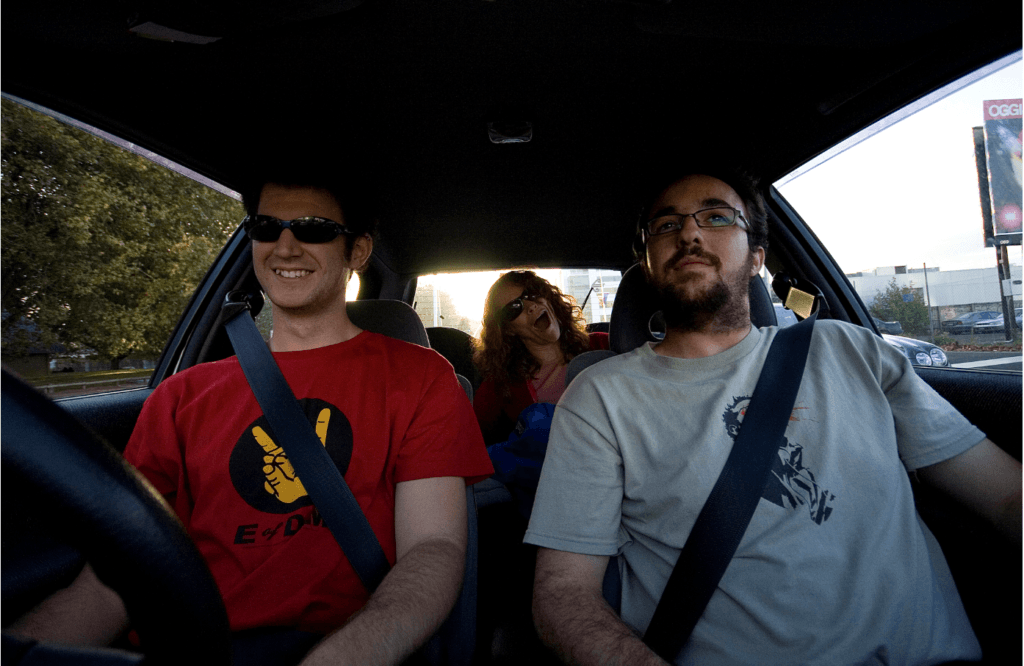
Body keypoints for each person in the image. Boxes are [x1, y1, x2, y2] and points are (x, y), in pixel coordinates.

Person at [525, 167, 1022, 665]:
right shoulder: (600, 396)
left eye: (717, 216)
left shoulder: (848, 350)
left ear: (757, 258)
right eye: (666, 225)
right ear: (649, 263)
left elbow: (1006, 496)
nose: (690, 233)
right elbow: (563, 593)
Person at [11, 172, 494, 666]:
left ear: (358, 251)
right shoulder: (181, 397)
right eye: (267, 228)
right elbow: (113, 581)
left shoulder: (419, 378)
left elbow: (433, 549)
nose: (285, 247)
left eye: (313, 228)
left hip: (341, 646)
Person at [473, 270, 609, 445]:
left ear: (547, 298)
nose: (531, 305)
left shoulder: (605, 346)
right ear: (507, 329)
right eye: (515, 308)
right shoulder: (501, 385)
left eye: (532, 293)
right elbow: (474, 444)